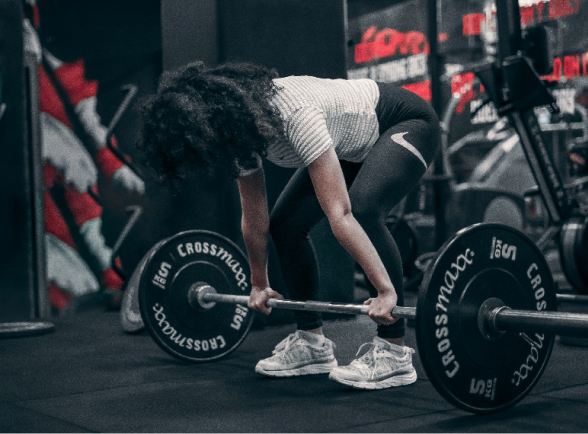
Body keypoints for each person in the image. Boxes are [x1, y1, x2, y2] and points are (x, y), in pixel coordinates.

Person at [139, 61, 440, 390]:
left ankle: (394, 352)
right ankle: (312, 344)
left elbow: (339, 213)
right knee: (285, 225)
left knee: (364, 211)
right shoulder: (239, 136)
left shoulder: (296, 114)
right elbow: (255, 219)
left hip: (405, 123)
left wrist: (386, 291)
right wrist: (258, 283)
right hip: (353, 145)